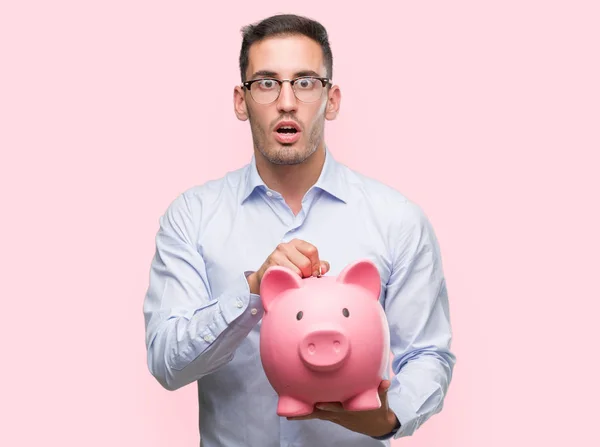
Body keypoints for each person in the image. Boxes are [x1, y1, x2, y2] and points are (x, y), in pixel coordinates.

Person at [143, 13, 456, 447]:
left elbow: (427, 354)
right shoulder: (192, 217)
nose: (286, 102)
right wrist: (251, 293)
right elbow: (166, 363)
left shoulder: (397, 220)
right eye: (267, 83)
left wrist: (389, 418)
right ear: (241, 100)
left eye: (306, 82)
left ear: (332, 100)